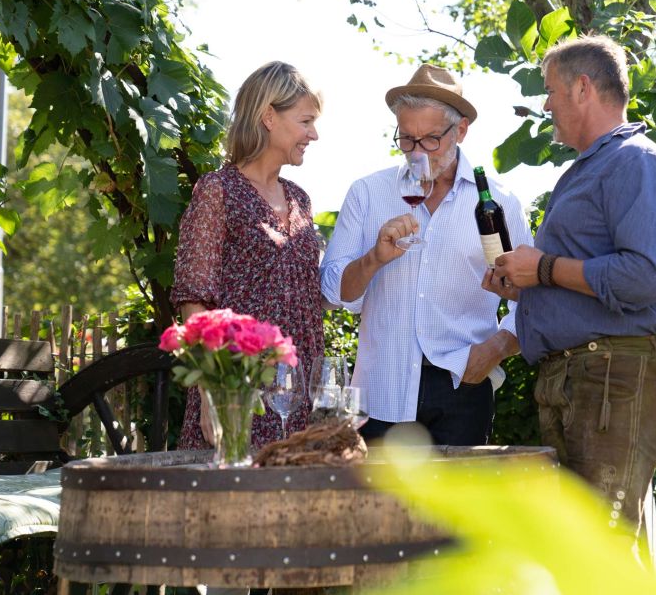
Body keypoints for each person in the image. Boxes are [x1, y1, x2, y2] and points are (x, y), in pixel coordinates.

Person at [487, 36, 656, 536]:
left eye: (550, 91)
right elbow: (589, 276)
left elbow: (643, 277)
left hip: (611, 378)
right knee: (588, 549)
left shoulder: (635, 161)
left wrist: (543, 270)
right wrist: (527, 287)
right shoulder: (593, 168)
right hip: (587, 379)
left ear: (582, 88)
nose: (545, 105)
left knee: (600, 547)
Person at [320, 64, 533, 445]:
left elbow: (531, 299)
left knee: (460, 490)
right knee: (375, 489)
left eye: (431, 140)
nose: (417, 153)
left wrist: (496, 349)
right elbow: (333, 293)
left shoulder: (500, 202)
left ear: (461, 130)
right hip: (381, 392)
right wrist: (374, 259)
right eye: (407, 139)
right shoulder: (367, 193)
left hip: (463, 387)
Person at [171, 60, 323, 454]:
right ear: (269, 117)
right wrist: (212, 394)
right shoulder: (217, 190)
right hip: (238, 394)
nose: (314, 134)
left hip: (297, 396)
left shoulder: (300, 199)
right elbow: (194, 302)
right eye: (305, 121)